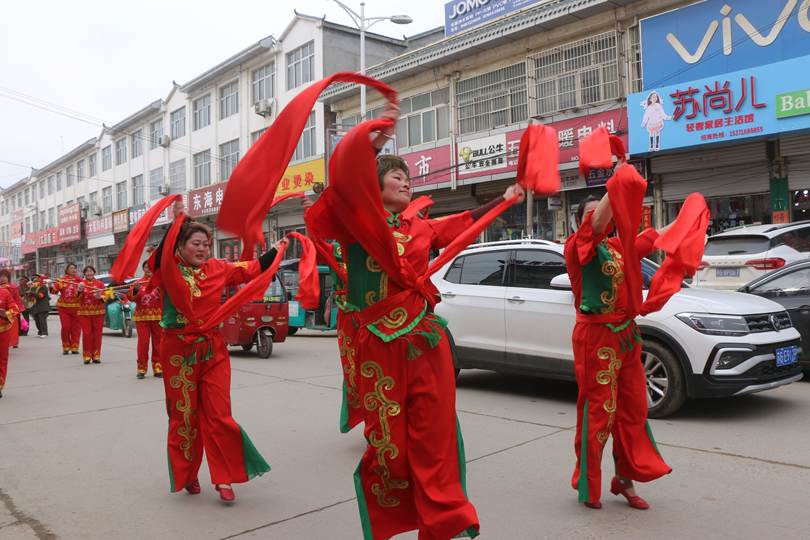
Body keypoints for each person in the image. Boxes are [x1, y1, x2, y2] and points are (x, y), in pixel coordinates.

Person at [306, 101, 525, 539]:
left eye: (408, 177)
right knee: (390, 447)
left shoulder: (420, 227)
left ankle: (441, 523)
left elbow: (461, 225)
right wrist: (375, 144)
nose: (406, 181)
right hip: (379, 343)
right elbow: (341, 192)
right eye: (395, 176)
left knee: (434, 436)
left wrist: (503, 200)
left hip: (425, 336)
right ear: (374, 186)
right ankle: (393, 517)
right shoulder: (358, 224)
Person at [152, 218, 274, 502]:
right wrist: (175, 224)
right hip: (178, 352)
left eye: (206, 245)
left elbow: (251, 269)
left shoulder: (217, 268)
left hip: (212, 349)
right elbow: (159, 256)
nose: (203, 249)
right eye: (196, 244)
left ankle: (224, 477)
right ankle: (187, 474)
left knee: (220, 414)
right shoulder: (167, 269)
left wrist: (277, 250)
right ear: (179, 246)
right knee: (184, 416)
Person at [564, 189, 672, 510]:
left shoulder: (616, 247)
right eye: (592, 213)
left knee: (633, 410)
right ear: (580, 221)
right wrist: (617, 184)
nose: (602, 216)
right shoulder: (577, 247)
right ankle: (589, 483)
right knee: (600, 413)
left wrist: (690, 221)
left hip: (626, 335)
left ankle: (624, 480)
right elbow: (597, 224)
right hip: (596, 338)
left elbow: (651, 239)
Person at [129, 261, 163, 379]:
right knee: (143, 343)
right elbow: (131, 298)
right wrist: (135, 290)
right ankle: (141, 368)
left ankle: (158, 367)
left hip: (158, 317)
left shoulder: (160, 282)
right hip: (142, 318)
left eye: (150, 267)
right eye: (146, 267)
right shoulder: (138, 283)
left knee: (158, 343)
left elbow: (168, 296)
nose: (148, 269)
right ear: (143, 269)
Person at [77, 266, 106, 364]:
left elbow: (105, 297)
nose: (89, 273)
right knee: (87, 334)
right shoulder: (81, 283)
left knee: (97, 334)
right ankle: (87, 355)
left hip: (98, 313)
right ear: (84, 273)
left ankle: (96, 355)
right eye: (87, 271)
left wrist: (99, 297)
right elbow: (77, 299)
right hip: (84, 313)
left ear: (94, 272)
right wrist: (79, 291)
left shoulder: (100, 284)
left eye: (91, 271)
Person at [51, 263, 82, 354]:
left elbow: (85, 292)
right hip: (64, 308)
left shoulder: (80, 281)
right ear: (67, 270)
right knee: (65, 327)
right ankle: (66, 346)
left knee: (76, 328)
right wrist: (51, 285)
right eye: (71, 268)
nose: (73, 270)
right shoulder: (62, 280)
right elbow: (54, 292)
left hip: (77, 308)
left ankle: (75, 347)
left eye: (75, 268)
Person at [0, 270, 19, 398]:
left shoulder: (5, 292)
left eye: (4, 276)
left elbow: (15, 308)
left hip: (2, 331)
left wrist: (5, 313)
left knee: (2, 359)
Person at [0, 272, 23, 348]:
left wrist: (18, 309)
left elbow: (17, 299)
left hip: (11, 310)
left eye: (5, 276)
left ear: (8, 278)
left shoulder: (13, 287)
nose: (3, 278)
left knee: (13, 329)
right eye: (1, 276)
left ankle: (14, 343)